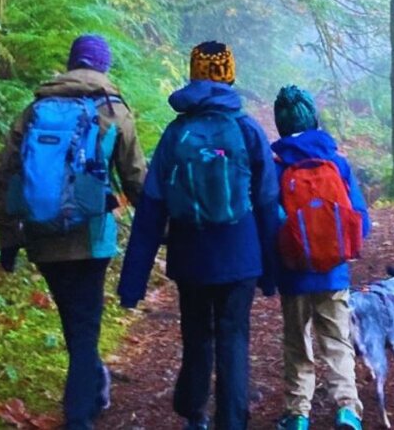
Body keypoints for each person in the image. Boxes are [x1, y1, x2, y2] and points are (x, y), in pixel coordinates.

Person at [117, 41, 280, 430]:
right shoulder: (247, 130)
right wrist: (272, 273)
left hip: (191, 256)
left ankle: (194, 413)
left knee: (196, 334)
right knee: (234, 338)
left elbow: (152, 207)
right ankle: (232, 421)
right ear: (230, 74)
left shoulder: (177, 133)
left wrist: (132, 282)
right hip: (240, 256)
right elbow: (267, 202)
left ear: (192, 74)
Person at [0, 34, 146, 430]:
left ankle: (92, 390)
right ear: (103, 67)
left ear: (72, 62)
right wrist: (159, 228)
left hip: (43, 236)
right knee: (86, 326)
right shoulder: (114, 110)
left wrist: (9, 239)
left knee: (74, 321)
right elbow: (136, 180)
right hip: (93, 237)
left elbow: (3, 175)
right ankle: (78, 417)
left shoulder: (37, 108)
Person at [269, 86, 369, 430]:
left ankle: (298, 414)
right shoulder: (337, 162)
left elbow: (270, 220)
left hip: (294, 272)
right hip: (333, 272)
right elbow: (360, 218)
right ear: (313, 117)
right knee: (337, 340)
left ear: (280, 123)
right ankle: (347, 410)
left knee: (297, 343)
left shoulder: (278, 166)